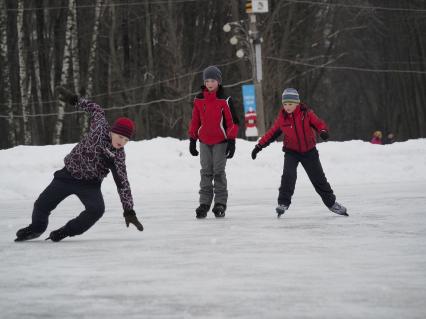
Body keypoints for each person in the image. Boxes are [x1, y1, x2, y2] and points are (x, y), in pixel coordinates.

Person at [15, 86, 143, 242]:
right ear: (112, 131)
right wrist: (75, 100)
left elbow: (122, 183)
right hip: (67, 176)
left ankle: (64, 232)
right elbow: (96, 109)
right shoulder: (100, 127)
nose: (122, 142)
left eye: (126, 140)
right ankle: (36, 229)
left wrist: (129, 210)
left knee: (97, 210)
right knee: (41, 205)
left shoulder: (118, 156)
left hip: (90, 185)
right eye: (120, 136)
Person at [251, 88, 347, 217]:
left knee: (318, 178)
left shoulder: (306, 113)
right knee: (288, 176)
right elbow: (271, 134)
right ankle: (283, 203)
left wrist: (323, 131)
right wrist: (259, 146)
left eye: (290, 104)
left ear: (297, 103)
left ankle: (331, 203)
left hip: (309, 151)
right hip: (291, 152)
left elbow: (318, 124)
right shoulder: (282, 119)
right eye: (285, 104)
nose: (287, 107)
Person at [188, 66, 239, 219]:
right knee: (205, 172)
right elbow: (195, 120)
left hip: (221, 142)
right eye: (207, 80)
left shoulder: (225, 99)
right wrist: (192, 139)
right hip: (204, 141)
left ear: (218, 81)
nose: (210, 83)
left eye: (213, 80)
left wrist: (231, 140)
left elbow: (233, 122)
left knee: (218, 172)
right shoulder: (199, 99)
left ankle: (220, 204)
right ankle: (204, 203)